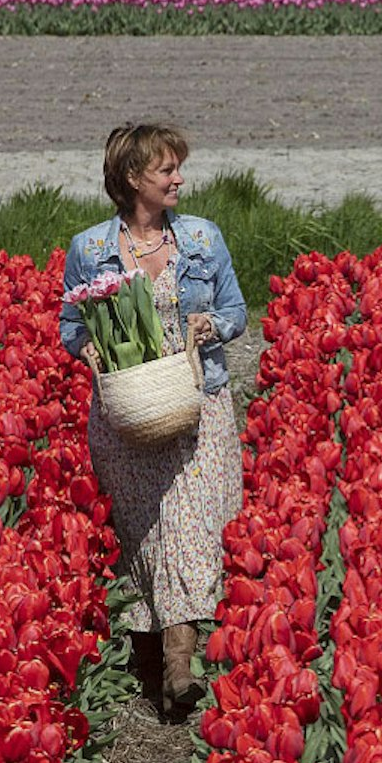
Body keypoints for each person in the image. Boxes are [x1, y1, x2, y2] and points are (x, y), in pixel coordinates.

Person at [60, 123, 246, 719]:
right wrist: (86, 348)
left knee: (191, 524)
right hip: (129, 411)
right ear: (133, 177)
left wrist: (208, 326)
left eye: (177, 168)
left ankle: (178, 663)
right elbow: (70, 324)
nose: (178, 179)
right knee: (146, 530)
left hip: (197, 402)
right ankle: (150, 652)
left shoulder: (201, 238)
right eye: (166, 170)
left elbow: (237, 310)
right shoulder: (90, 249)